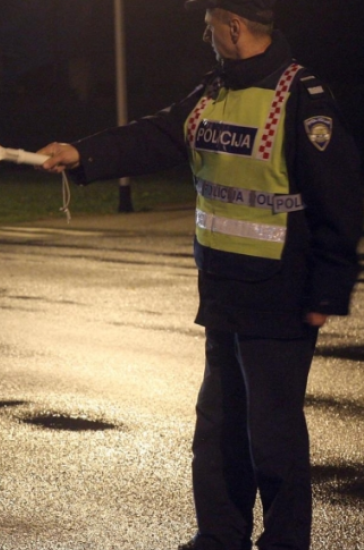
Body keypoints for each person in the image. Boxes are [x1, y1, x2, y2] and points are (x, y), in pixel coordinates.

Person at [37, 1, 362, 549]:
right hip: (222, 292)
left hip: (279, 300)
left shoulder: (302, 98)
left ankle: (285, 542)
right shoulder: (213, 92)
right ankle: (219, 535)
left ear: (234, 27)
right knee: (217, 431)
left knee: (274, 438)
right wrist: (82, 155)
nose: (203, 32)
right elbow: (158, 135)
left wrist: (326, 291)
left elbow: (340, 201)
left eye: (210, 20)